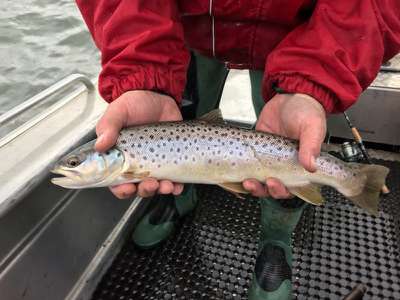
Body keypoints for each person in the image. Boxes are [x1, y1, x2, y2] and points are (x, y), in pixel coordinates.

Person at [76, 1, 400, 299]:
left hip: (296, 37)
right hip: (188, 33)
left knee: (296, 136)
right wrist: (143, 71)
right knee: (186, 114)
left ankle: (277, 240)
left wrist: (312, 84)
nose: (73, 166)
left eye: (77, 162)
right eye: (76, 162)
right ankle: (179, 197)